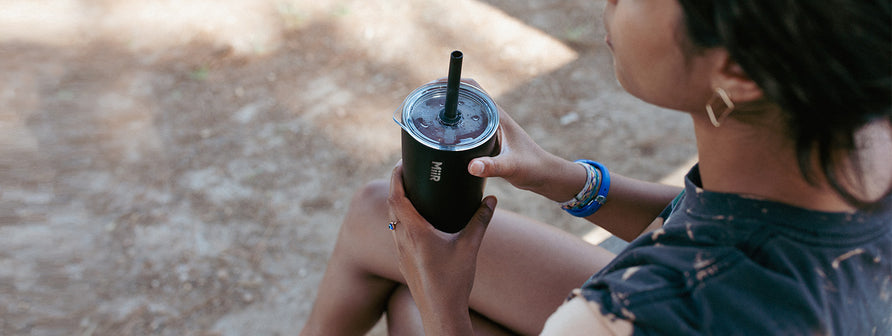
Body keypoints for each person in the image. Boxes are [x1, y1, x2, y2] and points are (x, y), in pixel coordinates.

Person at [301, 0, 892, 334]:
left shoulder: (615, 320)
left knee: (412, 308)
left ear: (737, 72)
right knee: (375, 213)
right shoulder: (863, 125)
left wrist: (441, 301)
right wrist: (562, 177)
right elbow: (734, 228)